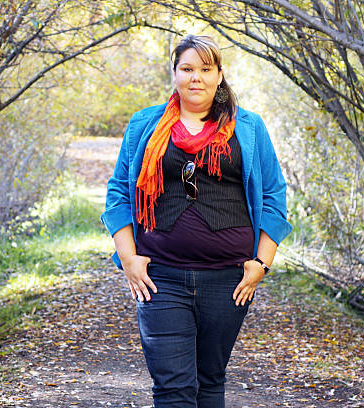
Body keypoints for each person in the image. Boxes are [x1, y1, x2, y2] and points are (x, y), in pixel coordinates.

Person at [101, 34, 292, 408]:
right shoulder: (145, 125)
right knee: (173, 387)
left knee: (210, 382)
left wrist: (261, 264)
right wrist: (127, 257)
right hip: (160, 278)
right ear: (174, 73)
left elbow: (273, 196)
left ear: (220, 75)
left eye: (206, 69)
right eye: (187, 69)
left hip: (228, 280)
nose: (196, 78)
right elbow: (119, 193)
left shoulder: (248, 127)